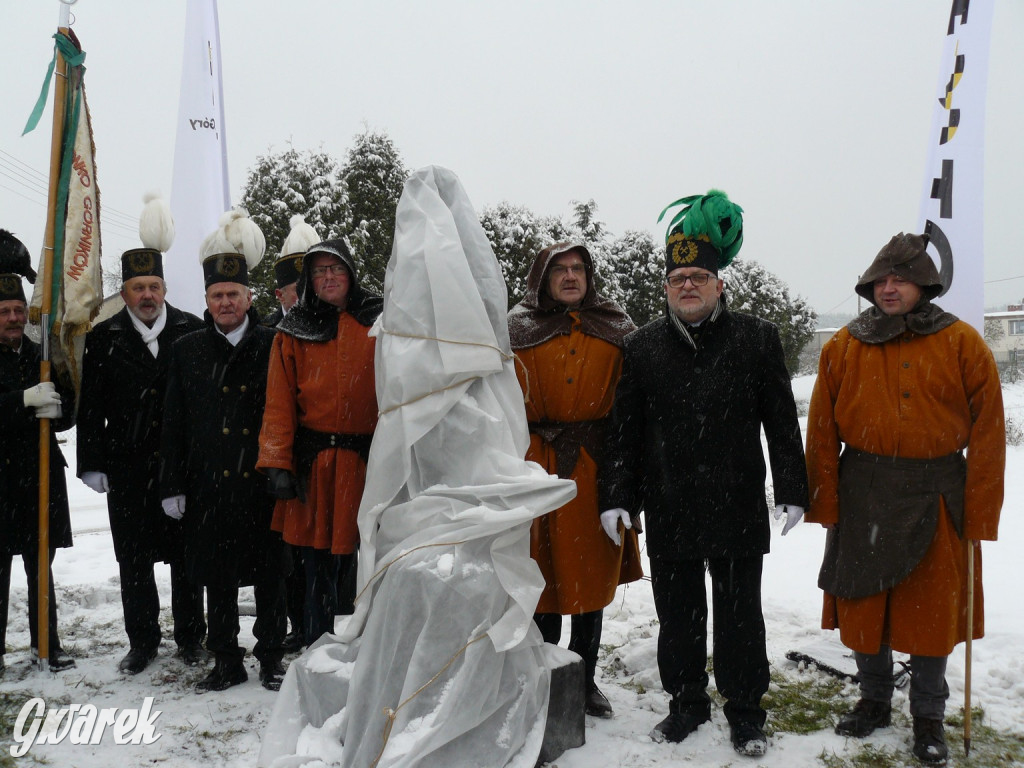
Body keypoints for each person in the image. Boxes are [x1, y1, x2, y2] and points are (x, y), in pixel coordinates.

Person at [599, 191, 808, 757]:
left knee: (741, 616)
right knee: (679, 617)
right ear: (665, 287)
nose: (686, 285)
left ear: (719, 284)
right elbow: (624, 431)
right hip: (669, 502)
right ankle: (687, 702)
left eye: (697, 275)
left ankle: (745, 710)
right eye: (677, 278)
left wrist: (791, 489)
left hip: (737, 500)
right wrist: (617, 496)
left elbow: (782, 424)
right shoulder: (641, 348)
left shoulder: (756, 338)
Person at [805, 232, 1005, 764]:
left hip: (937, 494)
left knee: (930, 613)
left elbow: (988, 432)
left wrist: (981, 512)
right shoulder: (844, 345)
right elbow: (821, 428)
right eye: (881, 279)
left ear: (925, 284)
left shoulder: (963, 343)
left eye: (901, 278)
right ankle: (873, 702)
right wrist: (823, 501)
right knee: (864, 605)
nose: (889, 287)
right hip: (863, 491)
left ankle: (929, 718)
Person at [508, 241, 642, 718]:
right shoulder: (514, 328)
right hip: (533, 464)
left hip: (594, 466)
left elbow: (635, 405)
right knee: (537, 573)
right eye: (560, 270)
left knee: (588, 576)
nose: (570, 276)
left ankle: (584, 680)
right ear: (541, 279)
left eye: (578, 269)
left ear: (589, 276)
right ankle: (543, 673)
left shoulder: (618, 328)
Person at [77, 194, 206, 675]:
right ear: (125, 292)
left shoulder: (192, 332)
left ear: (165, 288)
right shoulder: (103, 338)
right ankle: (143, 642)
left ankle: (192, 638)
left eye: (154, 286)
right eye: (137, 287)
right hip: (128, 466)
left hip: (178, 467)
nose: (147, 295)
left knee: (186, 561)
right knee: (134, 563)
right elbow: (90, 405)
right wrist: (92, 461)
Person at [160, 209, 288, 693]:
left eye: (234, 294)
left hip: (261, 482)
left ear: (249, 297)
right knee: (217, 577)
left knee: (271, 574)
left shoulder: (276, 344)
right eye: (217, 295)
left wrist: (285, 471)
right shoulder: (187, 350)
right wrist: (172, 484)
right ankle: (225, 660)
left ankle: (272, 655)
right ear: (207, 300)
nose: (226, 302)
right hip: (208, 484)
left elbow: (287, 415)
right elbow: (172, 424)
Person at [257, 238, 381, 647]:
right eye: (320, 271)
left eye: (337, 269)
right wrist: (277, 462)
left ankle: (375, 652)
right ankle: (317, 648)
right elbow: (279, 402)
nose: (329, 277)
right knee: (317, 567)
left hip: (372, 463)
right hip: (317, 465)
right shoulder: (292, 331)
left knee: (375, 563)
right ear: (309, 280)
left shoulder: (380, 321)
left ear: (351, 274)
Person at [0, 230, 76, 673]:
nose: (12, 317)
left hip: (37, 475)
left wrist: (58, 403)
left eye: (16, 310)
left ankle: (47, 644)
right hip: (1, 480)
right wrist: (22, 402)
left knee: (39, 567)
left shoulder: (40, 355)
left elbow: (66, 414)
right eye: (5, 311)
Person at [260, 215, 320, 652]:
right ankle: (281, 627)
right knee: (277, 556)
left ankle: (309, 625)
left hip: (315, 458)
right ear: (279, 293)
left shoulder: (329, 326)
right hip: (272, 460)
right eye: (293, 290)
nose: (300, 297)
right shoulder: (265, 334)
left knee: (312, 553)